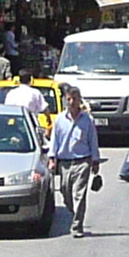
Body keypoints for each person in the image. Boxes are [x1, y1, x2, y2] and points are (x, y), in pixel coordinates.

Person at [48, 89, 103, 236]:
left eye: (74, 99)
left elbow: (93, 140)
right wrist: (52, 159)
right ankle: (74, 213)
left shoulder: (87, 120)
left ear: (79, 100)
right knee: (66, 193)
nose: (71, 102)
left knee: (79, 194)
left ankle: (77, 226)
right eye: (69, 99)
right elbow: (54, 140)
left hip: (82, 161)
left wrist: (95, 160)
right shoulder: (60, 119)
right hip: (65, 163)